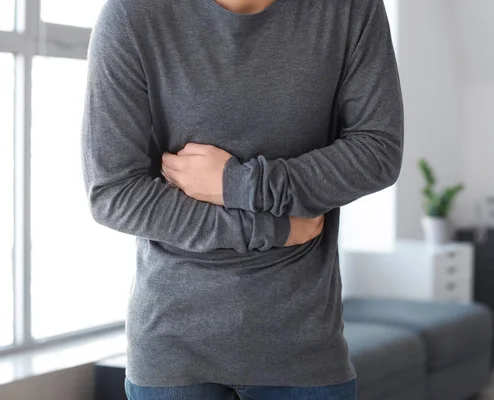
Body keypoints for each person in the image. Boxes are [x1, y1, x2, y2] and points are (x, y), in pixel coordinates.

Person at [81, 0, 403, 398]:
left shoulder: (350, 9)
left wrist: (239, 183)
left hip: (304, 348)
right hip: (174, 351)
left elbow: (378, 152)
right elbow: (112, 192)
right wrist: (269, 228)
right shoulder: (133, 14)